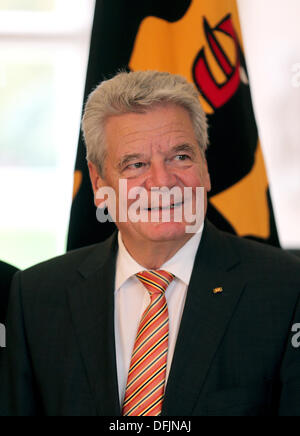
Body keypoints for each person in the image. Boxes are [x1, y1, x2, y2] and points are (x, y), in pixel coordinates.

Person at [1, 71, 300, 417]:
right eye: (136, 164)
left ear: (204, 168)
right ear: (99, 183)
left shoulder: (285, 289)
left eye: (180, 157)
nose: (162, 181)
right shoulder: (36, 296)